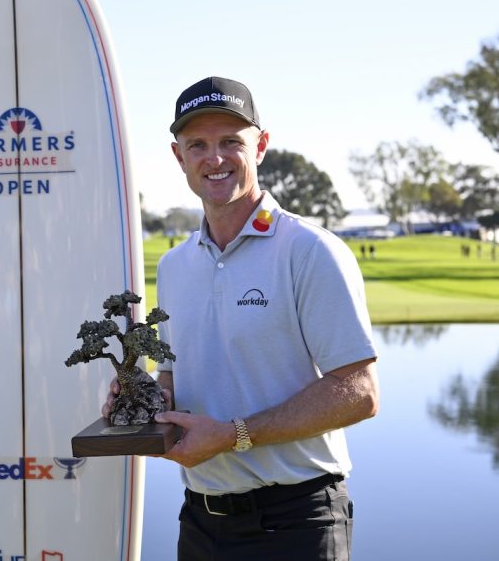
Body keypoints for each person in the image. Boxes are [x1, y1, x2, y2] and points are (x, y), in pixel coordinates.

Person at [104, 77, 379, 560]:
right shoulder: (174, 266)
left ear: (261, 146)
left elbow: (359, 392)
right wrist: (145, 397)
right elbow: (173, 372)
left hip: (296, 520)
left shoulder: (310, 251)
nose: (215, 159)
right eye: (198, 145)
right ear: (179, 157)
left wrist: (234, 435)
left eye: (231, 141)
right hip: (200, 520)